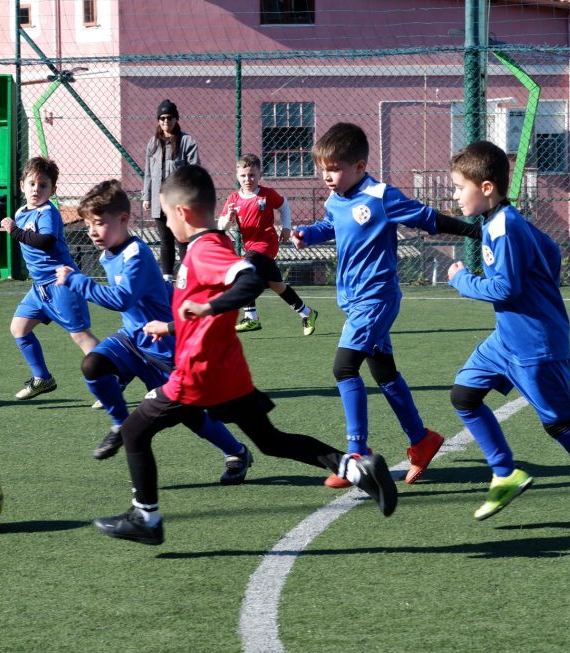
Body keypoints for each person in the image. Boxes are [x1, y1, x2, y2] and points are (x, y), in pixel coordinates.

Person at [93, 164, 398, 546]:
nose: (166, 226)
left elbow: (249, 279)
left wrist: (207, 309)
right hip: (227, 373)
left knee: (135, 430)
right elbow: (204, 308)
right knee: (271, 442)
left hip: (198, 375)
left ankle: (146, 518)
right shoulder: (205, 248)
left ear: (183, 213)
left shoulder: (205, 250)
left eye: (167, 216)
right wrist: (171, 327)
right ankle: (355, 467)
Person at [445, 140, 570, 533]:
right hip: (506, 341)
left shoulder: (505, 227)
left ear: (486, 188)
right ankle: (505, 473)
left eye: (459, 187)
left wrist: (460, 280)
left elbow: (504, 290)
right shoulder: (502, 221)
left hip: (536, 345)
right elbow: (550, 251)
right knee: (464, 395)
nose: (454, 195)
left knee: (560, 425)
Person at [291, 122, 460, 488]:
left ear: (359, 166)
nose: (327, 177)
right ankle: (422, 439)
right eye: (323, 169)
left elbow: (427, 218)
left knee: (344, 368)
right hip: (353, 302)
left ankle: (357, 454)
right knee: (384, 373)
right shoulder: (337, 199)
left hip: (376, 299)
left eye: (334, 169)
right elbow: (329, 224)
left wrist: (475, 229)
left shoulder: (381, 196)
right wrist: (309, 233)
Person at [55, 179, 253, 485]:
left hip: (164, 347)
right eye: (88, 224)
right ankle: (121, 424)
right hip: (133, 339)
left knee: (191, 416)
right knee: (93, 364)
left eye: (98, 224)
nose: (92, 231)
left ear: (123, 219)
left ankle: (237, 452)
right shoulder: (110, 252)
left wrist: (76, 281)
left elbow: (122, 298)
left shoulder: (136, 254)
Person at [1, 157, 98, 400]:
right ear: (22, 185)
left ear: (52, 190)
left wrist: (14, 231)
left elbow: (46, 241)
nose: (36, 190)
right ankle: (42, 378)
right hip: (40, 289)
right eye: (32, 184)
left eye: (43, 185)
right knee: (19, 328)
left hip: (62, 283)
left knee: (80, 336)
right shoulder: (22, 212)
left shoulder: (48, 213)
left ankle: (114, 378)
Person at [218, 153, 318, 335]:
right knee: (277, 285)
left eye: (251, 175)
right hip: (252, 248)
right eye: (243, 176)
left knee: (242, 270)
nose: (247, 179)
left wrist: (286, 228)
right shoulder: (233, 199)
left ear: (259, 174)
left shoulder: (267, 194)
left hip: (266, 244)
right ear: (237, 176)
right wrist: (229, 219)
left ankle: (251, 318)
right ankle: (307, 313)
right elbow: (221, 226)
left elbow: (284, 205)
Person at [141, 99, 199, 281]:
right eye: (162, 118)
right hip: (160, 201)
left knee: (182, 239)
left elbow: (194, 170)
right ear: (158, 120)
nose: (166, 121)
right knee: (165, 241)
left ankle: (184, 277)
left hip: (179, 201)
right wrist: (146, 196)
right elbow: (148, 173)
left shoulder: (187, 141)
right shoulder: (153, 143)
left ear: (176, 119)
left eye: (170, 118)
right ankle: (166, 278)